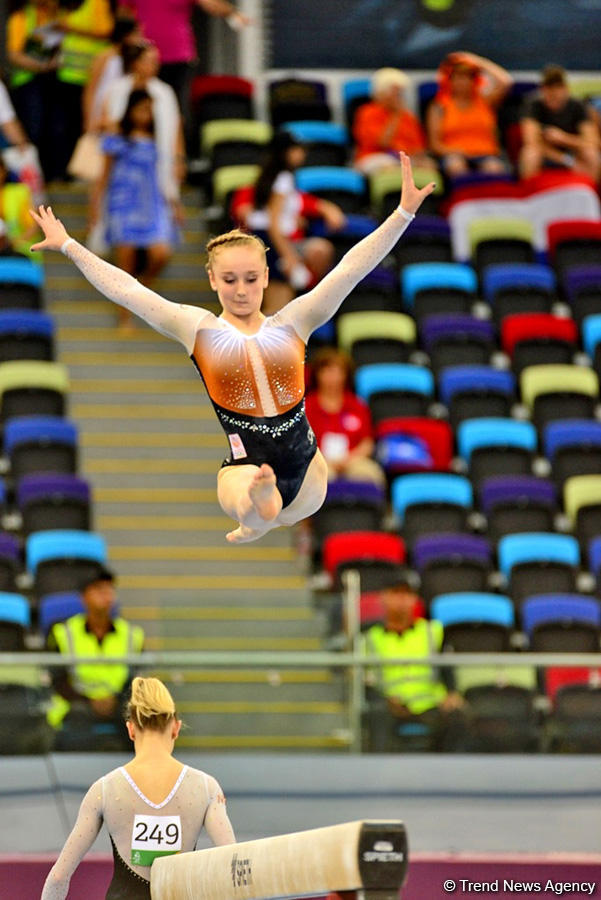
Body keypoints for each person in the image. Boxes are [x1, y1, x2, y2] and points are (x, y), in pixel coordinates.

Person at [30, 152, 435, 544]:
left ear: (264, 277)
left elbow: (350, 269)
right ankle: (257, 510)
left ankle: (259, 517)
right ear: (211, 280)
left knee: (274, 505)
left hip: (306, 469)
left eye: (250, 278)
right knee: (244, 491)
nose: (240, 290)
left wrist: (403, 214)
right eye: (229, 280)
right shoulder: (198, 329)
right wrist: (69, 245)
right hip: (246, 468)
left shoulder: (294, 322)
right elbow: (129, 290)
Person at [41, 675, 236, 899]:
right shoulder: (205, 788)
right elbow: (232, 868)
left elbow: (58, 878)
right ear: (176, 728)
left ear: (131, 729)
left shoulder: (104, 790)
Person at [91, 89, 178, 329]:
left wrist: (174, 204)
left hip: (151, 203)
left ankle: (140, 293)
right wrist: (95, 208)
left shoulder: (155, 139)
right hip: (123, 205)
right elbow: (103, 176)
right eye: (142, 108)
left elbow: (161, 175)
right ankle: (124, 316)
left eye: (150, 109)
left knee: (161, 253)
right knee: (125, 264)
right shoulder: (117, 136)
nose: (146, 114)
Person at [243, 131, 346, 314]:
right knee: (277, 308)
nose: (302, 154)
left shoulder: (273, 178)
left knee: (276, 308)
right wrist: (289, 256)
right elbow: (273, 225)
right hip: (270, 242)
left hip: (264, 241)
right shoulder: (283, 179)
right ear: (285, 152)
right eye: (297, 149)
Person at [362, 578, 466, 752]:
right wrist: (385, 701)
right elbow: (363, 681)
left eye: (407, 594)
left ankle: (452, 774)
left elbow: (447, 668)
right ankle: (380, 774)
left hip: (430, 705)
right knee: (375, 716)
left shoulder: (432, 631)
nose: (402, 600)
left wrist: (452, 694)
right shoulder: (369, 638)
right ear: (384, 598)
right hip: (390, 708)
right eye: (396, 594)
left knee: (459, 716)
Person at [46, 566, 145, 750]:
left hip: (119, 703)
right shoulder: (62, 633)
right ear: (84, 597)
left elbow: (137, 680)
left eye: (109, 589)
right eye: (99, 589)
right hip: (76, 704)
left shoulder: (132, 635)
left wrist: (114, 699)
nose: (106, 595)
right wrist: (89, 701)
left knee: (140, 722)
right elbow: (57, 679)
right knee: (76, 728)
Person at [119, 0, 251, 110]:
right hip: (144, 55)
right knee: (140, 102)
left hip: (177, 56)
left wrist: (232, 13)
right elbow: (124, 12)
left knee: (175, 106)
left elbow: (211, 4)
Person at [104, 42, 185, 213]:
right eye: (148, 61)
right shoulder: (118, 89)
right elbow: (106, 122)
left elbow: (175, 128)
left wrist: (178, 159)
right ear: (135, 63)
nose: (153, 66)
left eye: (156, 61)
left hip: (156, 161)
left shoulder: (164, 92)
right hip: (124, 162)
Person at [305, 347, 385, 487]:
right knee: (321, 476)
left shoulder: (357, 405)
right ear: (317, 374)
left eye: (337, 372)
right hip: (318, 460)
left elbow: (367, 443)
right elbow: (301, 443)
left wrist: (348, 460)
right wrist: (323, 459)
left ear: (345, 375)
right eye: (327, 371)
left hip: (353, 459)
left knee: (370, 473)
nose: (332, 377)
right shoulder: (307, 406)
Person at [426, 50, 513, 178]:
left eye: (468, 77)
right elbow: (435, 145)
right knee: (456, 165)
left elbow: (506, 81)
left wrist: (477, 61)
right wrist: (455, 151)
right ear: (449, 80)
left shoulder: (485, 101)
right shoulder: (439, 106)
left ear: (474, 80)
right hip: (454, 155)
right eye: (458, 77)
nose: (463, 82)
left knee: (494, 168)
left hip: (486, 154)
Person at [6, 0, 62, 179]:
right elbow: (13, 54)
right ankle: (35, 175)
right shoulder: (21, 18)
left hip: (51, 80)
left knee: (53, 128)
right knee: (34, 128)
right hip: (27, 83)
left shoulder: (53, 15)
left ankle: (52, 172)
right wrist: (42, 66)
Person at [519, 64, 601, 183]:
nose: (554, 93)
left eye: (558, 87)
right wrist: (568, 160)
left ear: (565, 89)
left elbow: (593, 142)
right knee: (530, 154)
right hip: (547, 153)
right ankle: (529, 194)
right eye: (549, 88)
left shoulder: (577, 106)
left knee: (592, 155)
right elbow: (531, 141)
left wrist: (563, 138)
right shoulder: (533, 105)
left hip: (572, 150)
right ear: (543, 89)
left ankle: (592, 193)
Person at [353, 67, 437, 175]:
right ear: (381, 92)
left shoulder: (408, 117)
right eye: (394, 92)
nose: (398, 97)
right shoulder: (367, 113)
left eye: (400, 93)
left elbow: (418, 148)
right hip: (374, 157)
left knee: (430, 166)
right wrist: (395, 116)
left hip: (404, 158)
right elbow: (382, 142)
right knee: (391, 166)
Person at [82, 13, 142, 134]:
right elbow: (90, 89)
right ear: (125, 35)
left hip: (119, 112)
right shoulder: (104, 57)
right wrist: (89, 119)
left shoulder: (132, 59)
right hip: (99, 112)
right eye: (136, 34)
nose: (139, 38)